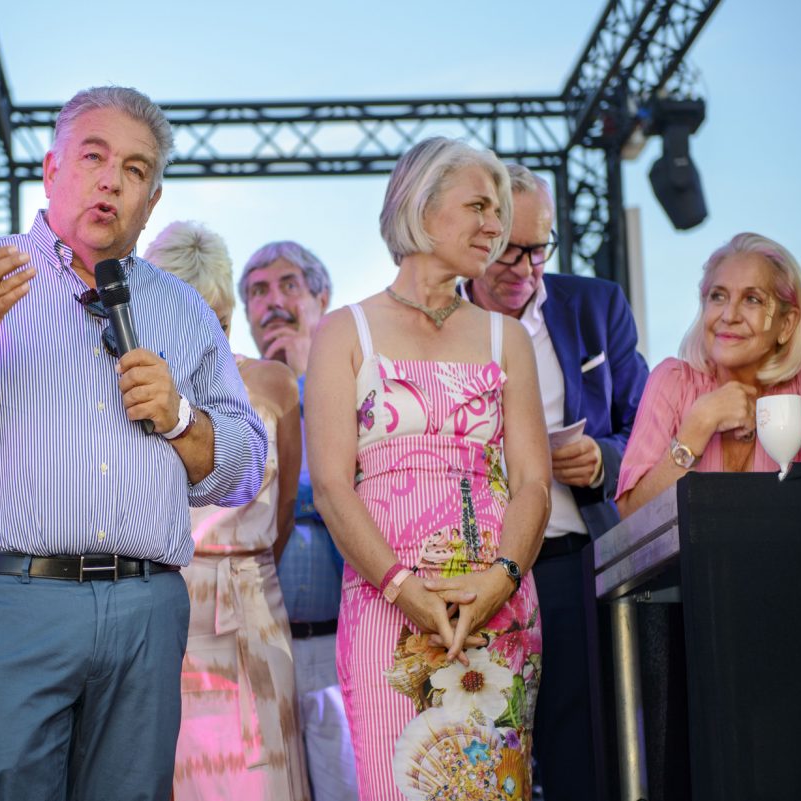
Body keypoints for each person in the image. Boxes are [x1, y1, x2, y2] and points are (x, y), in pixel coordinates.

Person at [0, 86, 268, 801]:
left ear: (152, 200)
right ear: (51, 170)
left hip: (146, 611)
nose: (112, 181)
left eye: (135, 170)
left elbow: (246, 468)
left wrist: (181, 418)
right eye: (93, 157)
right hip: (12, 605)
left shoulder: (183, 310)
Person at [305, 137, 552, 800]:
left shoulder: (508, 337)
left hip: (497, 604)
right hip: (385, 604)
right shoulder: (344, 332)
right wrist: (404, 590)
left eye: (498, 210)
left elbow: (534, 482)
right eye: (479, 205)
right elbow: (330, 486)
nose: (495, 225)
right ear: (421, 206)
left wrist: (502, 580)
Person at [463, 164, 649, 801]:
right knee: (482, 746)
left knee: (579, 749)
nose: (527, 267)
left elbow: (645, 425)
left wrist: (602, 458)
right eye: (509, 250)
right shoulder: (433, 320)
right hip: (473, 564)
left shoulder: (597, 306)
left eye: (540, 249)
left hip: (573, 560)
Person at [145, 221, 311, 801]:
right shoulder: (133, 388)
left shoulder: (273, 383)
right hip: (157, 607)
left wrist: (244, 570)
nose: (205, 337)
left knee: (258, 777)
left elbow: (285, 509)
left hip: (250, 604)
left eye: (216, 320)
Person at [239, 242, 358, 801]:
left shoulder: (357, 390)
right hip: (260, 649)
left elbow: (355, 493)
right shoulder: (232, 398)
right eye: (258, 292)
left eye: (289, 285)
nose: (273, 303)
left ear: (322, 298)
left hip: (341, 647)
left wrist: (303, 386)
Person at [617, 232, 801, 516]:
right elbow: (630, 517)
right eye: (718, 296)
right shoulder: (672, 380)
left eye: (752, 299)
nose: (729, 315)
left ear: (786, 324)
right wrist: (697, 427)